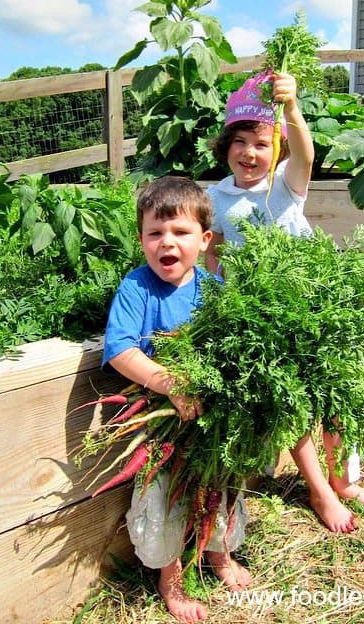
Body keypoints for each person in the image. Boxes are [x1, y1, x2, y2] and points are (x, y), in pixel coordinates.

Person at [205, 70, 364, 533]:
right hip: (260, 310)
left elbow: (306, 152)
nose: (250, 153)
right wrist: (215, 295)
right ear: (225, 147)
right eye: (241, 142)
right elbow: (214, 251)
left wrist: (292, 110)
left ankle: (344, 479)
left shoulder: (287, 183)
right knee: (293, 401)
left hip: (311, 299)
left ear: (277, 150)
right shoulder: (215, 196)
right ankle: (319, 491)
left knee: (337, 394)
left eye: (262, 144)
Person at [102, 176, 251, 624]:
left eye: (180, 232)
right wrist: (169, 383)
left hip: (212, 417)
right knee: (167, 495)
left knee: (221, 485)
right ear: (142, 239)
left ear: (205, 240)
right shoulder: (137, 288)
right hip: (162, 416)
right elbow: (121, 350)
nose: (167, 242)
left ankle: (219, 555)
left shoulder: (214, 290)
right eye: (155, 233)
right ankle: (171, 576)